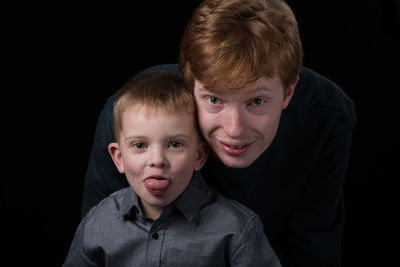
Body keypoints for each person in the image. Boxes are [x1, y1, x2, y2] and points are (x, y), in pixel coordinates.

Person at [81, 0, 356, 266]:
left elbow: (312, 249)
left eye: (256, 102)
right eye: (214, 100)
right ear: (191, 86)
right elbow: (101, 238)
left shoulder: (327, 117)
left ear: (288, 91)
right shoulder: (132, 118)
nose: (233, 129)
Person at [64, 70, 281, 266]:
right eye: (140, 145)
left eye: (175, 144)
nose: (157, 160)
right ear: (118, 157)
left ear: (199, 155)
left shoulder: (236, 229)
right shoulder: (99, 223)